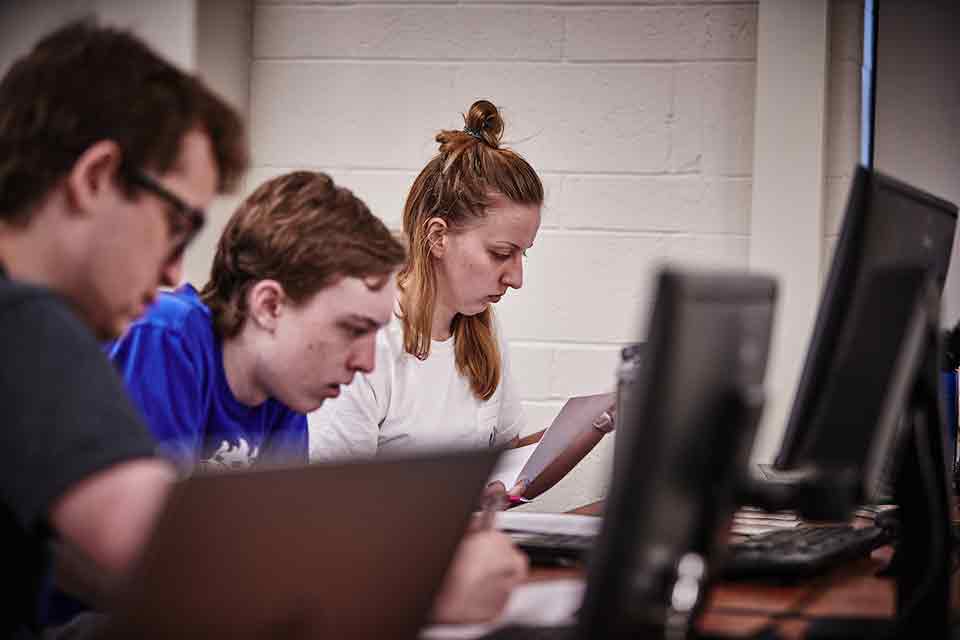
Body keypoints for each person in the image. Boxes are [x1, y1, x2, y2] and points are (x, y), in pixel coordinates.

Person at [106, 169, 528, 622]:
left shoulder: (283, 392)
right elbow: (160, 576)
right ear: (269, 306)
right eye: (352, 329)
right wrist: (422, 599)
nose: (366, 361)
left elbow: (271, 564)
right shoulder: (168, 339)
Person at [0, 19, 247, 637]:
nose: (173, 270)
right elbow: (171, 558)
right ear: (96, 177)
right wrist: (425, 580)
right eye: (177, 225)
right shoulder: (26, 323)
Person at [308, 100, 615, 500]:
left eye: (524, 254)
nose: (516, 278)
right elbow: (333, 502)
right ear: (438, 237)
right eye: (501, 253)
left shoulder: (480, 326)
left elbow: (504, 468)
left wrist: (600, 419)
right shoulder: (368, 341)